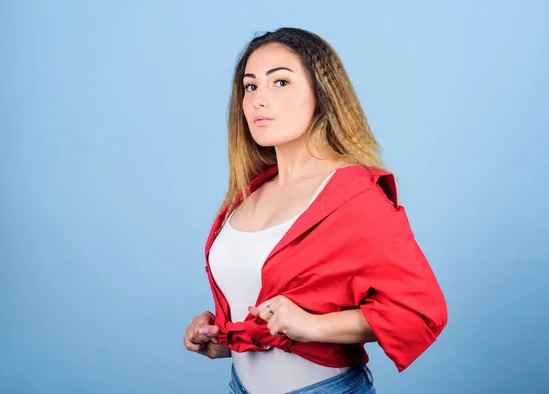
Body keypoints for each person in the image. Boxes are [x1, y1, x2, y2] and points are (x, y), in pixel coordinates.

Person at [183, 27, 448, 394]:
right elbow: (265, 313)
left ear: (321, 94)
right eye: (250, 86)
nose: (259, 99)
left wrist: (314, 327)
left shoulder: (353, 195)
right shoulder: (247, 194)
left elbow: (418, 311)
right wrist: (223, 340)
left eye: (280, 83)